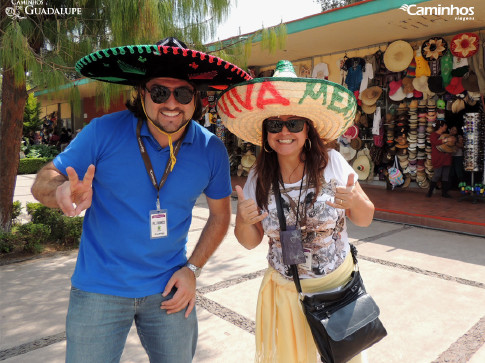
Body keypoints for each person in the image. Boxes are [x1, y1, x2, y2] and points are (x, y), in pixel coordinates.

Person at [31, 37, 251, 363]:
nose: (172, 103)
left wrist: (193, 268)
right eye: (160, 92)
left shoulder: (211, 150)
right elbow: (43, 180)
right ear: (142, 93)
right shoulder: (102, 132)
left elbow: (220, 216)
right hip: (99, 288)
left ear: (196, 99)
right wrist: (60, 191)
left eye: (184, 93)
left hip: (169, 288)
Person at [217, 60, 375, 362]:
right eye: (275, 124)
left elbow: (365, 218)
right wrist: (243, 220)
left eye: (294, 124)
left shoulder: (329, 165)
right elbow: (250, 241)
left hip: (337, 291)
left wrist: (354, 201)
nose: (284, 131)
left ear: (307, 130)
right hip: (288, 294)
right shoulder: (259, 178)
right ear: (266, 134)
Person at [427, 120, 453, 198]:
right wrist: (446, 140)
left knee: (445, 175)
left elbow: (451, 145)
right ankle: (430, 192)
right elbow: (435, 142)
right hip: (438, 158)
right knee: (437, 175)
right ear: (441, 127)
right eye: (445, 125)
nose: (446, 127)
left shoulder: (446, 135)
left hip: (446, 157)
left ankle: (444, 193)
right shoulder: (433, 135)